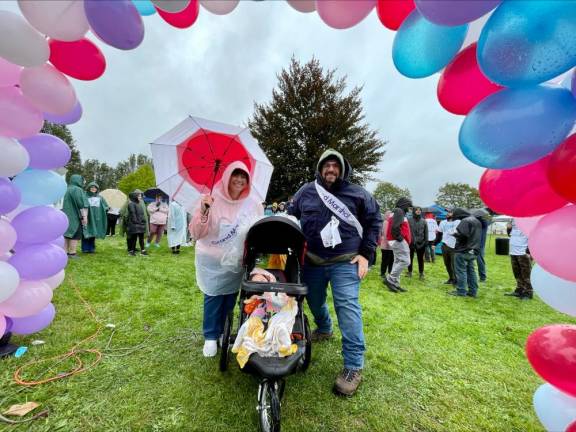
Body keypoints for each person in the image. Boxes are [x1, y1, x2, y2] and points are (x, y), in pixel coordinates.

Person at [289, 149, 382, 397]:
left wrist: (366, 254)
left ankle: (353, 366)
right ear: (320, 169)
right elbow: (290, 216)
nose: (331, 169)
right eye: (326, 165)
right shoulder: (305, 191)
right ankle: (325, 327)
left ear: (342, 169)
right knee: (314, 301)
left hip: (345, 261)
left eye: (335, 165)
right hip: (312, 261)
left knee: (347, 306)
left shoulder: (359, 193)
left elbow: (375, 222)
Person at [190, 162, 263, 358]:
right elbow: (197, 233)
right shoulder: (210, 199)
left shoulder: (253, 203)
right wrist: (204, 212)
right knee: (213, 297)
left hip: (236, 261)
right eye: (235, 175)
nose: (239, 180)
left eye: (243, 176)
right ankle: (211, 336)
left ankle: (224, 331)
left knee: (230, 297)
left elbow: (257, 229)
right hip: (212, 261)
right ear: (227, 177)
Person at [383, 197, 413, 293]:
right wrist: (399, 238)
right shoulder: (399, 211)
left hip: (395, 240)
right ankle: (390, 279)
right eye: (409, 206)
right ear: (404, 204)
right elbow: (395, 226)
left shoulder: (397, 211)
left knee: (398, 261)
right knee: (405, 261)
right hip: (397, 240)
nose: (409, 208)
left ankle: (395, 283)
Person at [450, 208, 481, 297]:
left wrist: (455, 234)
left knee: (461, 271)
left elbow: (462, 235)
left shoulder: (465, 221)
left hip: (463, 250)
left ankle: (461, 291)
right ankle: (473, 291)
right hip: (474, 250)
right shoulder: (476, 220)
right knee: (471, 271)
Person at [62, 174, 89, 259]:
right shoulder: (78, 190)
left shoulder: (65, 188)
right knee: (75, 235)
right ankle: (72, 253)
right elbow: (81, 204)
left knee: (65, 234)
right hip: (74, 216)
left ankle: (64, 252)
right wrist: (84, 217)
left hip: (63, 215)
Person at [505, 220, 533, 300]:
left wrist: (528, 251)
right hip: (513, 251)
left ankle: (528, 292)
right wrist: (508, 228)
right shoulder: (512, 218)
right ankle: (519, 289)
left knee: (526, 274)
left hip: (523, 252)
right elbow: (509, 234)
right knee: (516, 272)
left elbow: (533, 236)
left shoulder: (529, 219)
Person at [81, 182, 108, 253]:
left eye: (95, 187)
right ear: (89, 188)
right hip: (87, 216)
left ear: (97, 189)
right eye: (92, 187)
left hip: (96, 218)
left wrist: (107, 208)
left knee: (93, 232)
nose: (93, 189)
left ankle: (91, 248)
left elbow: (105, 206)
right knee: (86, 231)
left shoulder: (100, 197)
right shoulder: (85, 196)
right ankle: (85, 248)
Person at [437, 210, 460, 285]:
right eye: (447, 213)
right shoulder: (443, 222)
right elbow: (439, 233)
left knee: (454, 265)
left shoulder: (457, 222)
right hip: (444, 245)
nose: (448, 214)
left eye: (450, 212)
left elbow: (457, 232)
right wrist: (434, 243)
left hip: (454, 246)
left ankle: (456, 281)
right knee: (447, 264)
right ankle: (451, 278)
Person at [407, 207, 428, 280]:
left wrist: (425, 242)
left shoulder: (424, 221)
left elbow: (426, 232)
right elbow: (407, 232)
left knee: (420, 259)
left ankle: (421, 273)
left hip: (421, 242)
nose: (418, 211)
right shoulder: (409, 220)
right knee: (410, 258)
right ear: (414, 211)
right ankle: (409, 272)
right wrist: (408, 241)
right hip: (411, 242)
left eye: (420, 210)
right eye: (417, 210)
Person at [125, 191, 148, 256]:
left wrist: (143, 221)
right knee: (134, 238)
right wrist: (136, 221)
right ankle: (132, 251)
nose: (140, 197)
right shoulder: (131, 204)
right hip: (134, 224)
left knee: (141, 238)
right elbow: (133, 213)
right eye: (139, 196)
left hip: (140, 224)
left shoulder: (139, 204)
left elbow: (141, 214)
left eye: (140, 196)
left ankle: (143, 251)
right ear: (134, 197)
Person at [473, 209, 489, 283]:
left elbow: (486, 220)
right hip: (472, 244)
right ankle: (471, 276)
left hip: (480, 245)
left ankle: (482, 277)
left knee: (480, 261)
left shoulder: (484, 224)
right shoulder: (474, 224)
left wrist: (481, 215)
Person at [379, 211, 394, 283]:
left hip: (392, 245)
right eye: (389, 214)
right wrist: (389, 243)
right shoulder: (385, 222)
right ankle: (382, 273)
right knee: (385, 260)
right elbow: (385, 234)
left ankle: (390, 272)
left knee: (391, 260)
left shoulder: (392, 222)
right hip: (385, 245)